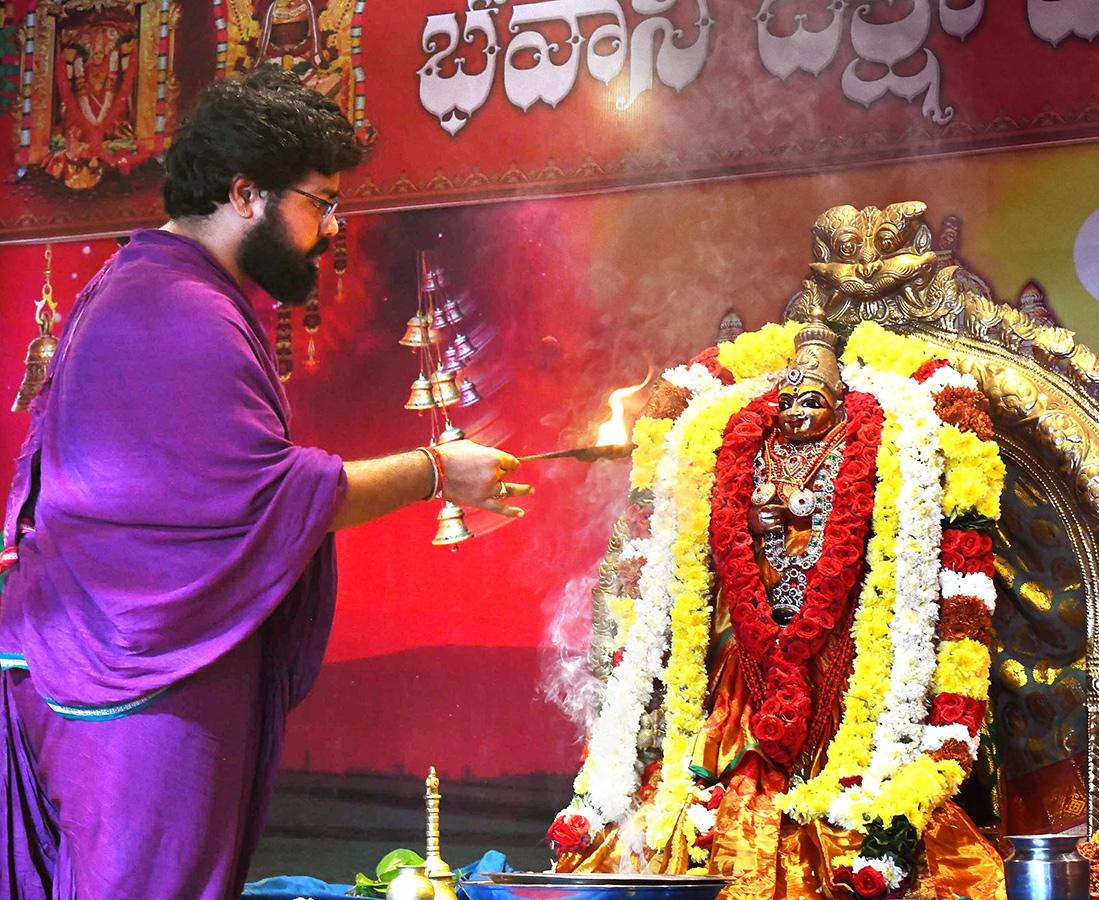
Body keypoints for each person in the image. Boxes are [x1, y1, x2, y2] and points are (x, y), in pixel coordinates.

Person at [0, 66, 527, 900]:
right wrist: (436, 471)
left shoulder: (147, 284)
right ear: (247, 194)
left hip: (113, 668)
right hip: (140, 682)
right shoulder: (177, 309)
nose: (328, 232)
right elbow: (265, 496)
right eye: (320, 203)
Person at [550, 310, 1006, 899]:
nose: (794, 412)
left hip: (839, 630)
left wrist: (815, 520)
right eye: (787, 401)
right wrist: (757, 518)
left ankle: (839, 803)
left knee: (846, 731)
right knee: (720, 734)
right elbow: (720, 529)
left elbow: (882, 536)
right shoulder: (749, 443)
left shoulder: (878, 442)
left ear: (839, 402)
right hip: (749, 627)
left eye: (810, 400)